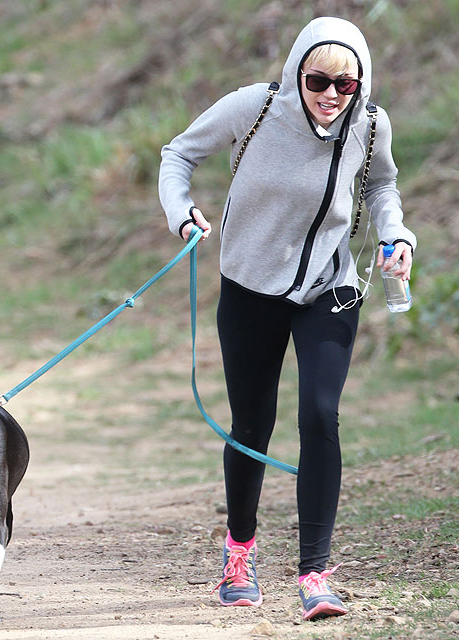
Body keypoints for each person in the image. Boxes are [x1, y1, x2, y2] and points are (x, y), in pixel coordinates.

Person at [158, 17, 416, 621]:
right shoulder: (255, 107)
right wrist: (182, 213)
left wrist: (395, 234)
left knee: (320, 414)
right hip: (250, 288)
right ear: (296, 73)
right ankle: (239, 554)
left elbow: (382, 186)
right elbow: (179, 155)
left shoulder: (370, 124)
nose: (330, 94)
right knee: (252, 422)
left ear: (361, 85)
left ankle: (315, 572)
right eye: (318, 79)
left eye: (345, 84)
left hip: (332, 288)